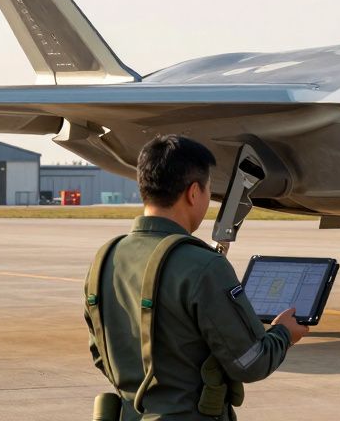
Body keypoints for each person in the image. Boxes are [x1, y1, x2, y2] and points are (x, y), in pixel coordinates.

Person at [85, 135, 307, 420]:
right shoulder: (203, 266)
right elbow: (250, 362)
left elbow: (100, 354)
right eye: (207, 190)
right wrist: (283, 333)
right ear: (193, 193)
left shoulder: (106, 258)